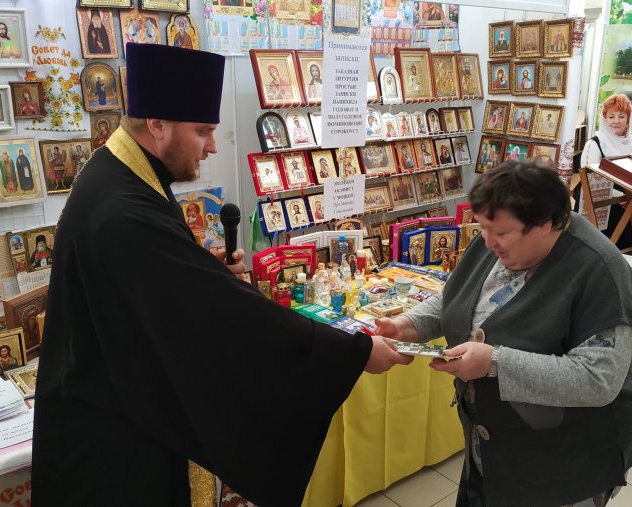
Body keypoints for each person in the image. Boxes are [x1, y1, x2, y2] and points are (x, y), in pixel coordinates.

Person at [31, 43, 410, 506]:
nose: (212, 146)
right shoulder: (123, 210)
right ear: (157, 125)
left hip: (111, 407)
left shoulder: (119, 174)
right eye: (203, 131)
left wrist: (201, 268)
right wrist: (351, 352)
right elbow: (224, 315)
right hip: (113, 448)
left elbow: (147, 285)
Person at [374, 160, 632, 505]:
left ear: (547, 223)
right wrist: (407, 325)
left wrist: (495, 363)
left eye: (501, 233)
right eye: (483, 227)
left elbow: (599, 379)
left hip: (566, 460)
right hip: (496, 449)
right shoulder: (496, 237)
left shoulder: (601, 272)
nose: (488, 242)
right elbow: (459, 295)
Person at [578, 95, 632, 249]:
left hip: (629, 209)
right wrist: (621, 196)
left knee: (626, 251)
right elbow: (589, 181)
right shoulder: (594, 144)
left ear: (629, 119)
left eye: (621, 116)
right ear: (605, 119)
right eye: (611, 116)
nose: (616, 121)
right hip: (602, 209)